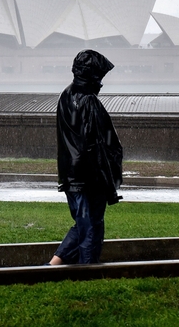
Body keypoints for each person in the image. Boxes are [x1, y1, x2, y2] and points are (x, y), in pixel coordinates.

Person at [48, 49, 123, 265]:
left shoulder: (66, 96)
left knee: (83, 223)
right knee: (91, 227)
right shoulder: (89, 102)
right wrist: (109, 183)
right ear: (93, 76)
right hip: (90, 178)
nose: (101, 83)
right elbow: (97, 147)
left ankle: (53, 265)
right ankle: (87, 272)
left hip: (72, 175)